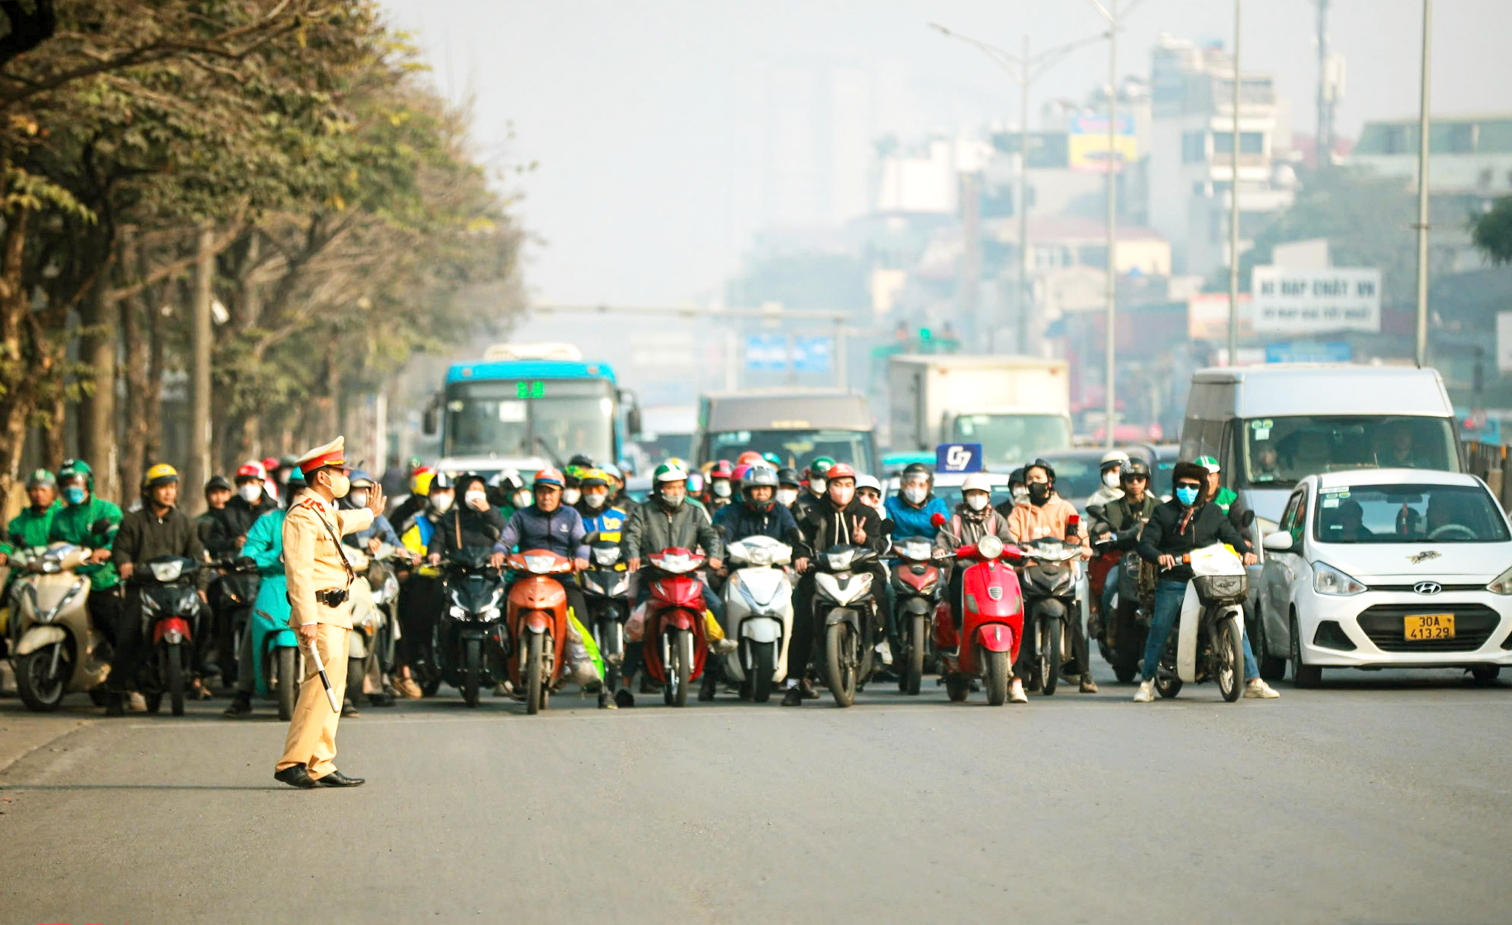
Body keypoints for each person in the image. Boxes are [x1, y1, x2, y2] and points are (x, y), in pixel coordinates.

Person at [274, 437, 382, 789]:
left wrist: (370, 514)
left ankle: (321, 762)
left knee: (332, 691)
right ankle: (292, 762)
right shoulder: (301, 516)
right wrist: (305, 619)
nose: (344, 476)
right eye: (339, 470)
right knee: (318, 689)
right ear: (322, 477)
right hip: (318, 612)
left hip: (336, 610)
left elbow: (344, 521)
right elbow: (299, 572)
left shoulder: (321, 511)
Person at [1132, 461, 1279, 703]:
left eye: (1192, 486)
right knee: (1160, 626)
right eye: (1181, 485)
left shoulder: (1213, 513)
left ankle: (1253, 681)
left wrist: (1245, 551)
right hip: (1175, 579)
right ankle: (1146, 683)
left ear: (1202, 488)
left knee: (1237, 623)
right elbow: (1146, 544)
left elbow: (1231, 535)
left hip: (1209, 579)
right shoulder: (1163, 513)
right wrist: (1159, 556)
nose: (1187, 489)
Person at [617, 463, 724, 706]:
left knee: (716, 607)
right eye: (669, 487)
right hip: (654, 578)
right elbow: (631, 536)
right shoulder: (643, 512)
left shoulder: (695, 512)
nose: (675, 492)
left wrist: (715, 555)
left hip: (688, 578)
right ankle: (625, 684)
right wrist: (632, 555)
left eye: (679, 487)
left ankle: (712, 674)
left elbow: (710, 536)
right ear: (658, 489)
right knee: (637, 624)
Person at [784, 463, 889, 707]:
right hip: (820, 572)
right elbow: (800, 542)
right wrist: (800, 556)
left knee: (883, 597)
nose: (843, 490)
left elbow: (882, 544)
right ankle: (793, 683)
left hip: (861, 571)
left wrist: (867, 540)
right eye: (837, 485)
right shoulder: (811, 513)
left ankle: (882, 648)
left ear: (855, 487)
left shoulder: (868, 514)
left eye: (848, 485)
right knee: (802, 621)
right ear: (828, 487)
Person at [109, 464, 207, 716]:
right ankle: (116, 691)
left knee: (206, 615)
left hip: (179, 588)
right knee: (127, 633)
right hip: (143, 588)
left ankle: (199, 672)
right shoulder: (133, 522)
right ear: (149, 491)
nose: (168, 493)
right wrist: (124, 564)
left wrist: (202, 587)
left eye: (172, 487)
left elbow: (198, 557)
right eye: (163, 488)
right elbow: (120, 550)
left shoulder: (185, 523)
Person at [933, 472, 1026, 702]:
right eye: (972, 494)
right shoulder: (954, 521)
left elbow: (1009, 543)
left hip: (994, 573)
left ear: (988, 496)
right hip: (964, 573)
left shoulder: (997, 519)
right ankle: (957, 638)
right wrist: (940, 552)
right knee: (953, 593)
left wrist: (1017, 551)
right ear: (965, 496)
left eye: (981, 494)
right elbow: (942, 543)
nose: (977, 498)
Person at [1006, 459, 1096, 693]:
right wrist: (1016, 550)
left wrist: (1082, 546)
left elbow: (1079, 538)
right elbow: (1011, 538)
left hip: (1062, 570)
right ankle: (1018, 674)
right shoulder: (1020, 511)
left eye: (1038, 478)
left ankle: (1085, 674)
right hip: (1030, 571)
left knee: (1074, 617)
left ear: (1050, 480)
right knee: (1021, 619)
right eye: (1029, 479)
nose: (1034, 482)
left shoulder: (1065, 508)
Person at [223, 471, 304, 718]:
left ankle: (342, 692)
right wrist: (266, 557)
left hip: (316, 584)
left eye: (307, 489)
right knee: (254, 626)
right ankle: (244, 693)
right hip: (275, 582)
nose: (302, 495)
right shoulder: (270, 520)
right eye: (298, 490)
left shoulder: (327, 520)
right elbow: (250, 549)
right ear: (289, 492)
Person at [48, 459, 125, 707]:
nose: (72, 487)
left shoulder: (106, 510)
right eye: (66, 483)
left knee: (114, 628)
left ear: (88, 483)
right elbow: (53, 547)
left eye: (76, 482)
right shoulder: (58, 516)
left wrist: (105, 549)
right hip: (68, 579)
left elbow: (118, 536)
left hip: (100, 579)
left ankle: (130, 682)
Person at [1088, 458, 1159, 654]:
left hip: (1154, 561)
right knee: (1109, 586)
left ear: (1146, 481)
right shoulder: (1111, 508)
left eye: (1139, 479)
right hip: (1124, 561)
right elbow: (1105, 533)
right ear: (1123, 482)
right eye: (1130, 479)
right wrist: (1109, 535)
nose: (1135, 483)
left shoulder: (1158, 506)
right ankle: (1107, 627)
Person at [393, 471, 452, 699]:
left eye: (445, 491)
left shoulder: (459, 520)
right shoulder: (416, 522)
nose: (440, 497)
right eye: (436, 492)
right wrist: (411, 558)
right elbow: (404, 547)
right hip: (425, 581)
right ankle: (404, 670)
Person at [427, 473, 508, 567]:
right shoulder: (450, 518)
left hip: (487, 567)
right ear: (463, 492)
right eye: (473, 489)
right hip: (459, 569)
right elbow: (438, 540)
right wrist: (435, 553)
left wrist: (487, 511)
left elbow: (505, 535)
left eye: (480, 490)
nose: (477, 493)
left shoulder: (493, 512)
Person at [0, 469, 61, 565]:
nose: (39, 494)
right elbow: (9, 543)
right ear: (28, 493)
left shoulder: (63, 516)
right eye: (34, 490)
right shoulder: (19, 522)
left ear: (53, 492)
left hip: (59, 569)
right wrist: (4, 553)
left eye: (43, 490)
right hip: (26, 570)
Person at [885, 464, 949, 540]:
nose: (916, 489)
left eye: (922, 485)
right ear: (903, 485)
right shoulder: (891, 504)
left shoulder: (937, 505)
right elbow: (884, 527)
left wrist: (941, 547)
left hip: (931, 549)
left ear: (929, 487)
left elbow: (947, 529)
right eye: (911, 484)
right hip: (898, 549)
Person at [792, 457, 834, 521]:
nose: (820, 480)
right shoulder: (799, 501)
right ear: (809, 476)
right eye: (816, 476)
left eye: (825, 477)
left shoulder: (838, 504)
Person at [197, 475, 233, 549]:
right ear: (207, 496)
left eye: (223, 493)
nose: (219, 497)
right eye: (214, 493)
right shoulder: (200, 522)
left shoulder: (237, 519)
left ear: (230, 494)